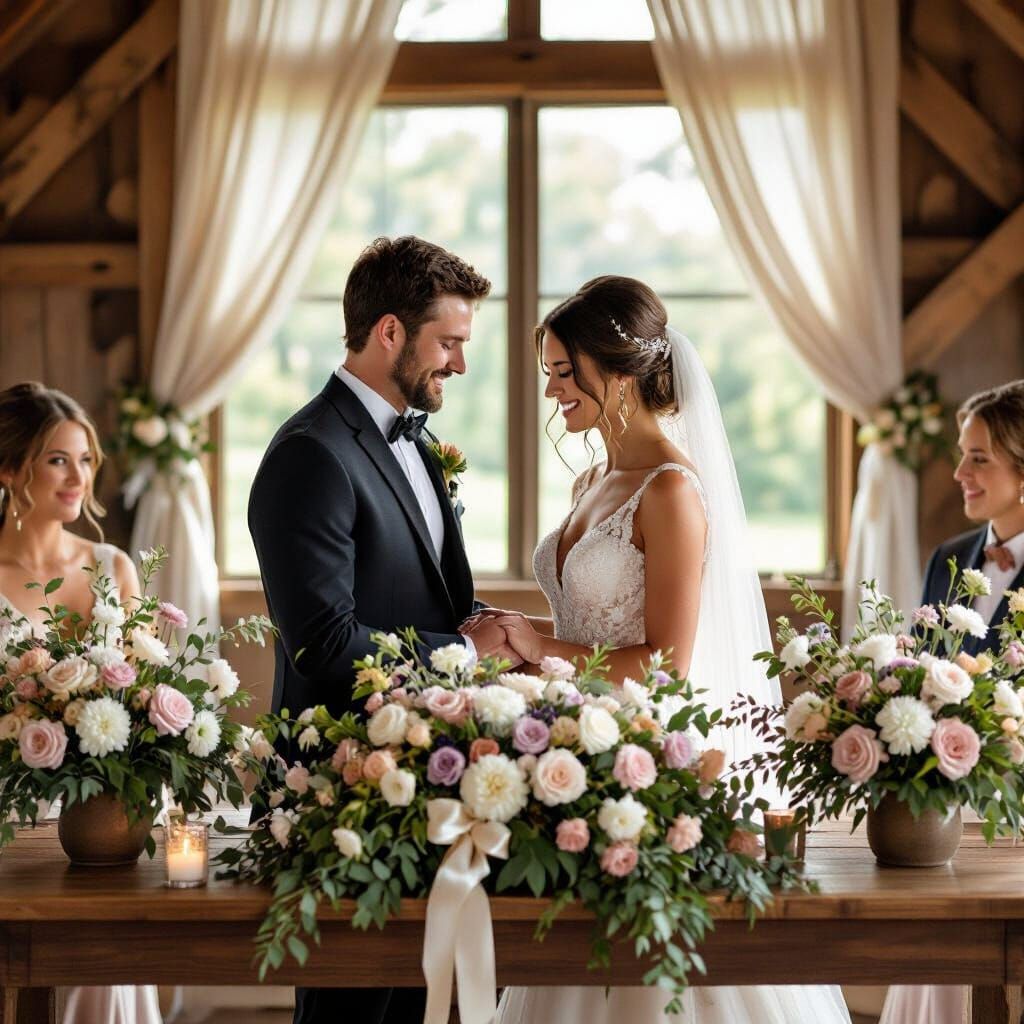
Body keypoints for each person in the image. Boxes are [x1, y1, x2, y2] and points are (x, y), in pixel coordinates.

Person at [470, 276, 851, 1024]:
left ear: (618, 372)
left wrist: (535, 642)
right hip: (581, 759)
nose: (553, 394)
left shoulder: (672, 490)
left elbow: (666, 663)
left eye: (562, 373)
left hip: (650, 762)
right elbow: (584, 621)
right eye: (547, 374)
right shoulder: (592, 479)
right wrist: (520, 632)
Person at [248, 235, 511, 1024]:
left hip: (425, 791)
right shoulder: (310, 455)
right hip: (341, 801)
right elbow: (325, 645)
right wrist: (464, 652)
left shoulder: (415, 440)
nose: (460, 365)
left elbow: (422, 597)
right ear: (390, 332)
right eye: (450, 343)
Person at [0, 382, 159, 1024]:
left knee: (104, 965)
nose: (78, 477)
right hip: (11, 812)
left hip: (101, 808)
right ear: (10, 469)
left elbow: (146, 693)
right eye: (58, 459)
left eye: (85, 459)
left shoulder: (111, 567)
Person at [879, 382, 1024, 1024]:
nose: (959, 472)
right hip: (943, 810)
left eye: (979, 458)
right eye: (962, 455)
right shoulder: (947, 559)